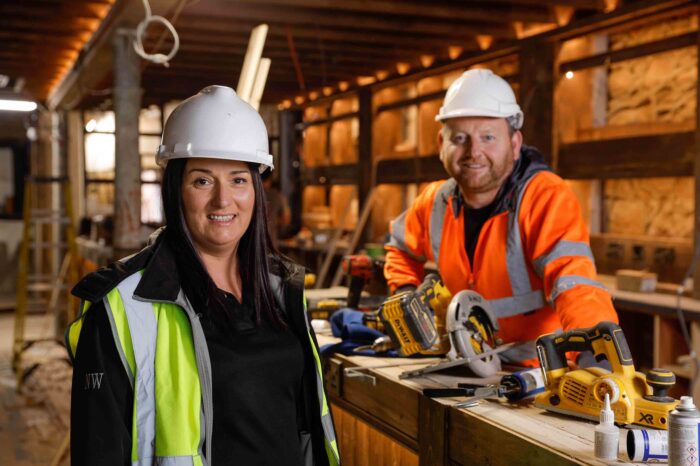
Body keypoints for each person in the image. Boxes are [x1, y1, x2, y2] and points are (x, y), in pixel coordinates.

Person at [66, 85, 339, 466]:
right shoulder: (123, 307)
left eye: (239, 180)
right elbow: (98, 452)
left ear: (257, 191)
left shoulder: (281, 289)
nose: (223, 200)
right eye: (202, 180)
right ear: (175, 189)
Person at [384, 69, 618, 366]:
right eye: (460, 138)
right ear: (440, 144)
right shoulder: (434, 201)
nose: (474, 151)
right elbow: (399, 249)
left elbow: (574, 282)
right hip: (467, 364)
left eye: (488, 137)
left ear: (515, 143)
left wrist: (594, 349)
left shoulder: (544, 196)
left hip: (538, 373)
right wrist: (405, 295)